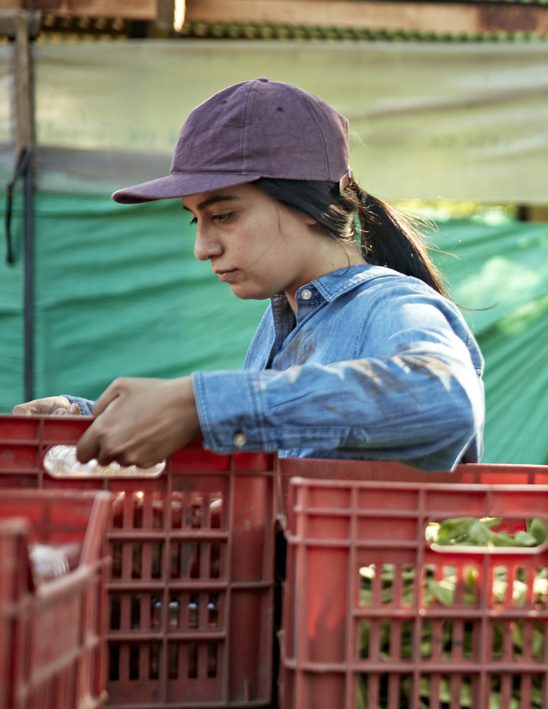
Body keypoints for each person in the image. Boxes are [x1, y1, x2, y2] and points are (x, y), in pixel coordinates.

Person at [12, 78, 484, 471]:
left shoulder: (390, 304)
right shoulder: (282, 321)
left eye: (224, 216)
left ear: (310, 204)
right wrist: (93, 418)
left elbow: (444, 401)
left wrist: (200, 403)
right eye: (194, 219)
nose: (203, 248)